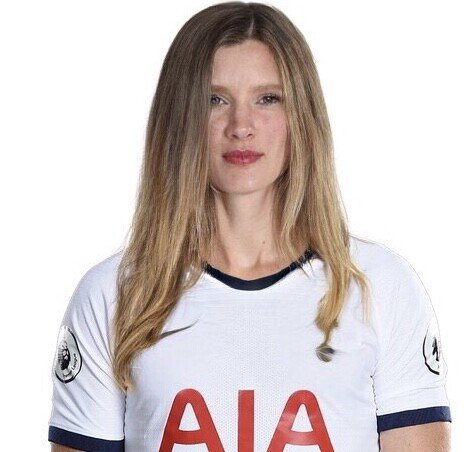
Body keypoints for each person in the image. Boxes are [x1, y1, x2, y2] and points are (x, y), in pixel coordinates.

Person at [47, 2, 451, 451]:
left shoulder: (380, 286)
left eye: (268, 98)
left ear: (302, 116)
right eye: (214, 99)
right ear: (179, 118)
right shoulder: (114, 294)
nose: (241, 126)